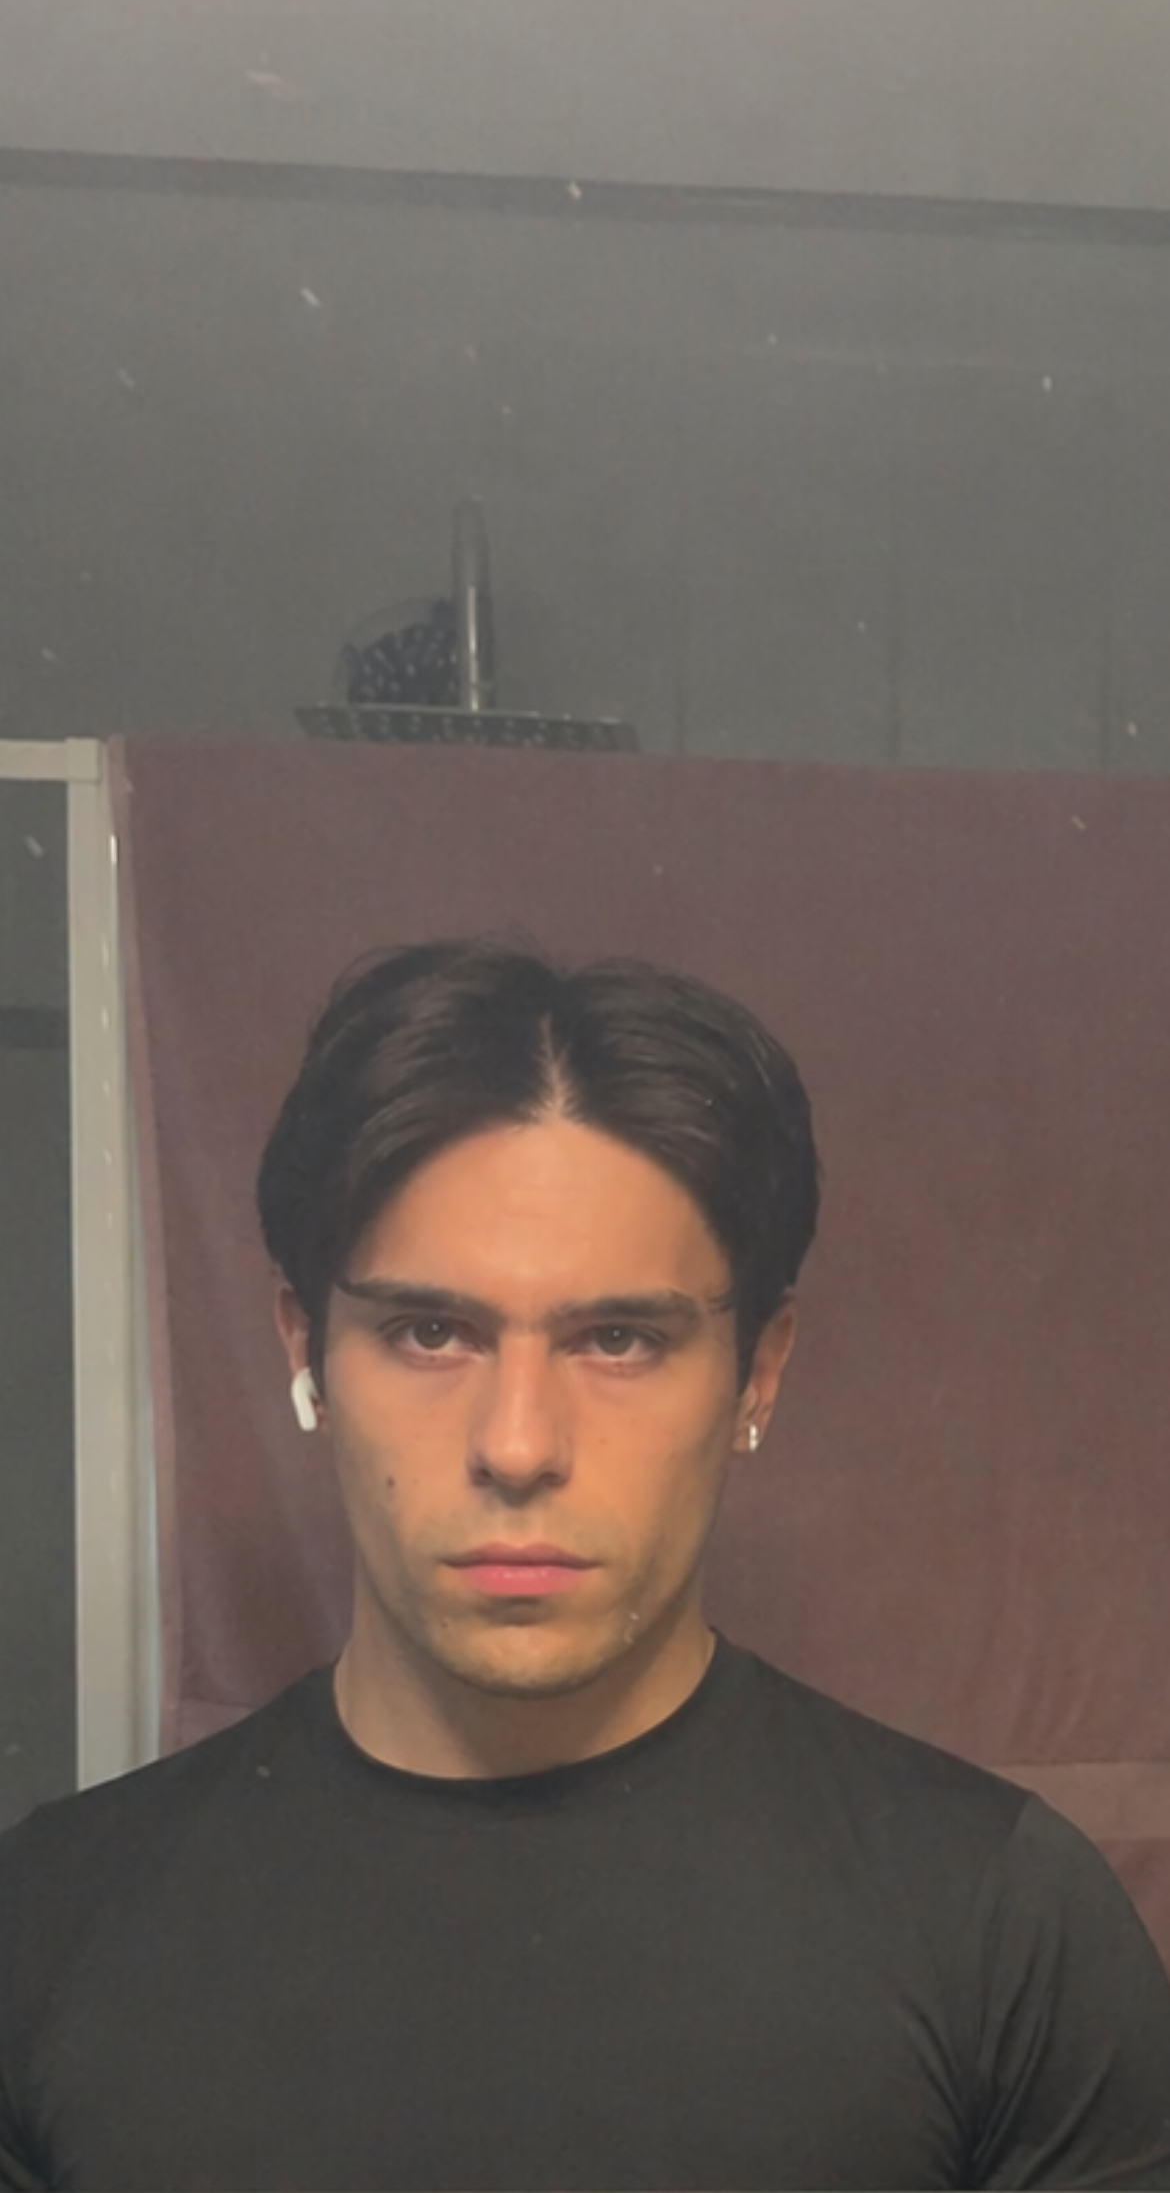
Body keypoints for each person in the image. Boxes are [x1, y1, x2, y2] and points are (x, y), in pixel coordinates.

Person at [1, 936, 1169, 2193]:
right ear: (306, 1351)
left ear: (759, 1371)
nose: (518, 1446)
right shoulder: (47, 1927)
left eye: (618, 1339)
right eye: (430, 1331)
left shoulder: (1003, 1928)